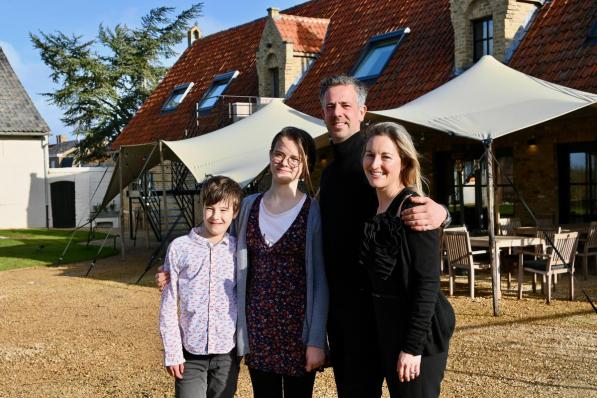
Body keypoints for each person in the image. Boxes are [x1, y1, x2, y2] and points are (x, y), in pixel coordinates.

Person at [318, 75, 450, 397]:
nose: (338, 113)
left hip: (392, 318)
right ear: (321, 112)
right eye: (330, 106)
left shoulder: (378, 159)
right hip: (350, 321)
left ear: (363, 111)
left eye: (346, 105)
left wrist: (443, 213)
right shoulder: (329, 175)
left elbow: (415, 203)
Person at [360, 122, 455, 398]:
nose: (375, 163)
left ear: (403, 162)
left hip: (419, 337)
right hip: (390, 331)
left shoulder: (416, 209)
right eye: (370, 155)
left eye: (385, 156)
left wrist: (413, 348)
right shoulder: (376, 206)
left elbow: (427, 284)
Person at [233, 127, 328, 398]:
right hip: (258, 330)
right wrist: (174, 270)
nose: (284, 162)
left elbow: (321, 281)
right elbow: (220, 251)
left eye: (294, 158)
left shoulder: (313, 212)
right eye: (278, 154)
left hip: (298, 333)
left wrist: (316, 340)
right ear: (270, 156)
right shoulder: (248, 206)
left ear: (305, 165)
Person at [159, 175, 243, 398]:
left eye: (224, 210)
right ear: (202, 207)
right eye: (210, 208)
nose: (216, 216)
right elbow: (168, 304)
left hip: (227, 353)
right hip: (190, 354)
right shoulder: (179, 248)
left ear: (234, 213)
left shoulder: (238, 251)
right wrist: (173, 352)